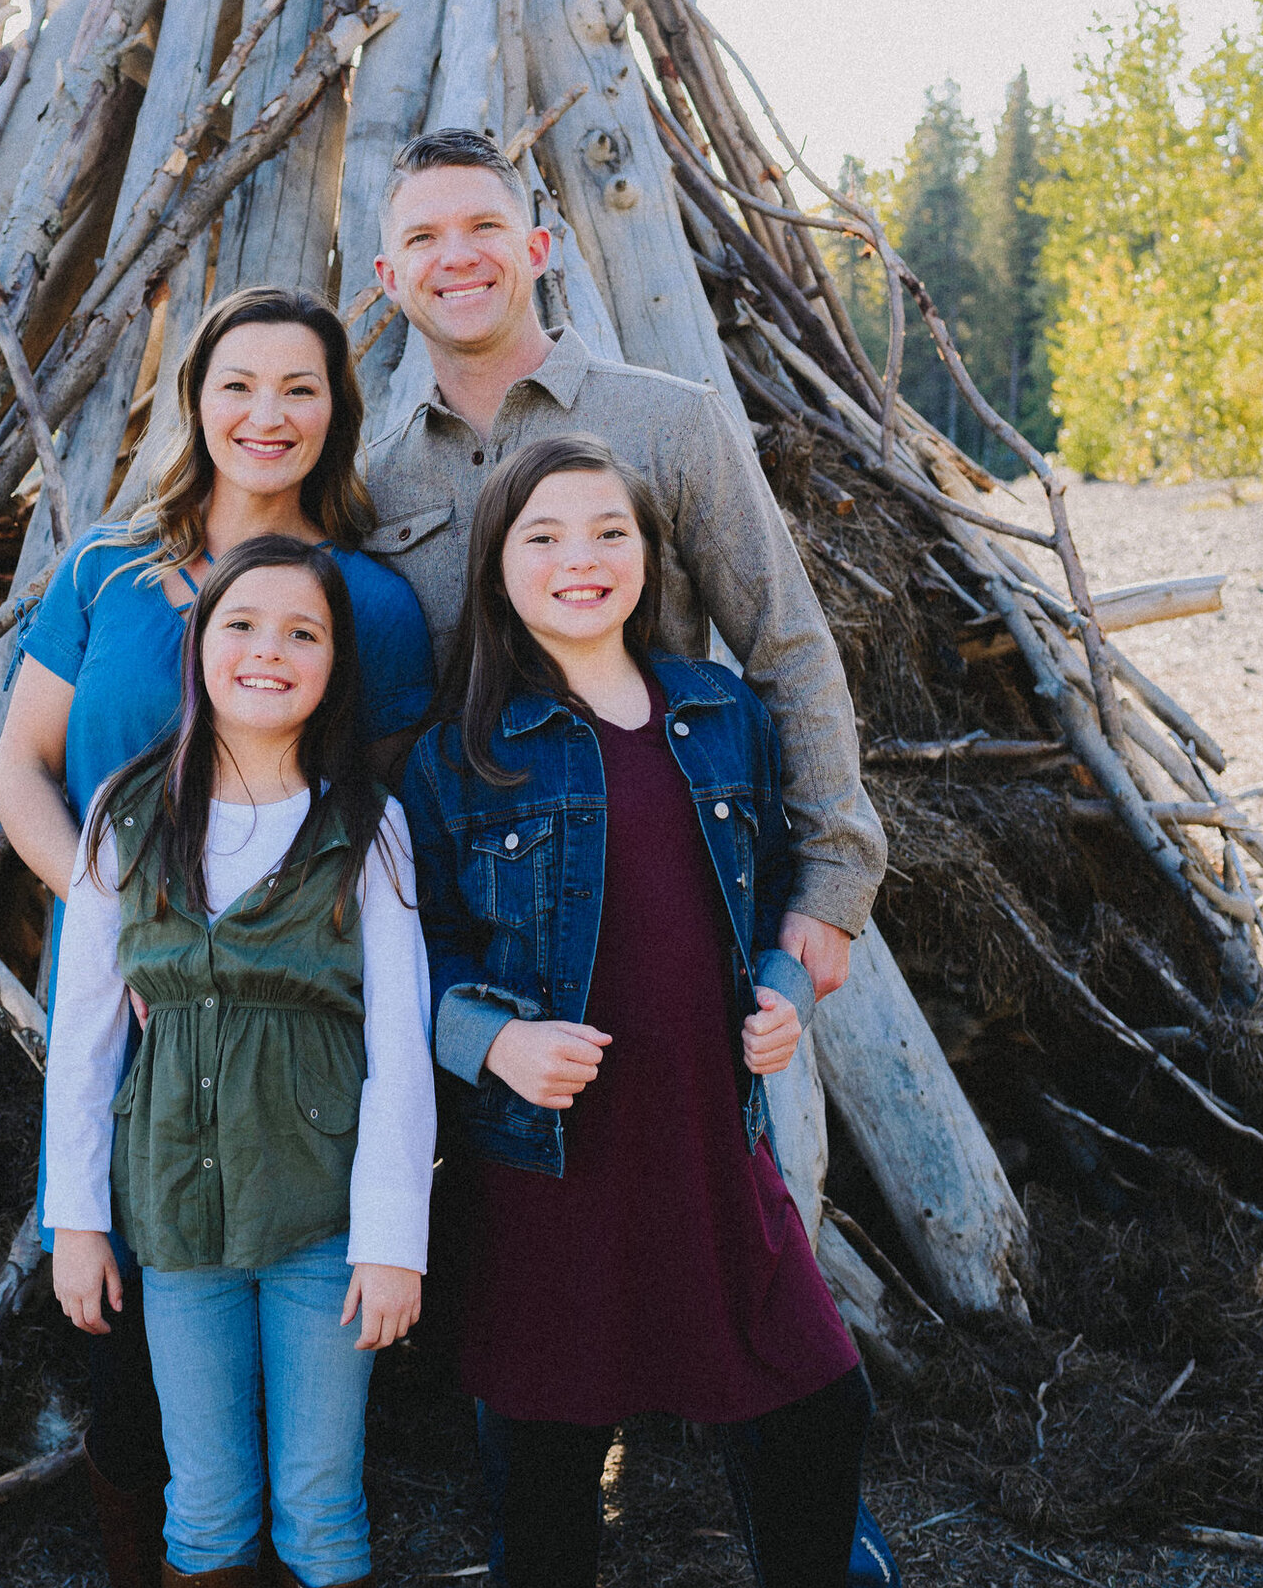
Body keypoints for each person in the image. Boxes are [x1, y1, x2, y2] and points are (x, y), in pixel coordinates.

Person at [0, 286, 434, 1588]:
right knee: (145, 1386)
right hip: (130, 1015)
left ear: (337, 412)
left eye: (301, 387)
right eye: (238, 383)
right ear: (195, 399)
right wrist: (128, 909)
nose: (267, 414)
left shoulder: (366, 602)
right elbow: (21, 763)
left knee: (314, 1434)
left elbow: (375, 816)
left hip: (298, 1058)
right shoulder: (105, 572)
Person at [398, 436, 881, 1588]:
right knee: (546, 1480)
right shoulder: (459, 756)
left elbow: (767, 894)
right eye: (544, 536)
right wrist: (491, 1042)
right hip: (546, 1173)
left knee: (818, 1406)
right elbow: (421, 955)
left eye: (611, 531)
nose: (583, 559)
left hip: (712, 1144)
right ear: (495, 568)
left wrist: (778, 985)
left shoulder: (719, 715)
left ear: (651, 557)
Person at [362, 125, 884, 1005]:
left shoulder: (670, 423)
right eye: (421, 238)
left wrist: (834, 884)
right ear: (389, 279)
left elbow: (786, 641)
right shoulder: (379, 477)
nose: (456, 258)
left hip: (671, 896)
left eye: (484, 228)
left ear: (536, 248)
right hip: (478, 933)